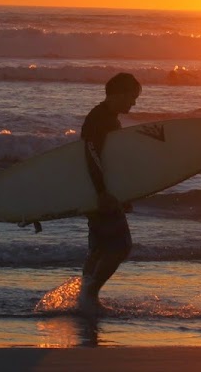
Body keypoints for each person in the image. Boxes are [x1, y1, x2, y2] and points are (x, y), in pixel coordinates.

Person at [77, 72, 142, 311]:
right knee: (120, 246)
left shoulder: (108, 117)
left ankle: (85, 297)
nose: (134, 102)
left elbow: (111, 161)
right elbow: (92, 155)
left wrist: (121, 194)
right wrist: (103, 193)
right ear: (119, 93)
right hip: (98, 193)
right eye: (132, 97)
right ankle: (89, 295)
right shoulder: (100, 118)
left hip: (97, 191)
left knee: (100, 247)